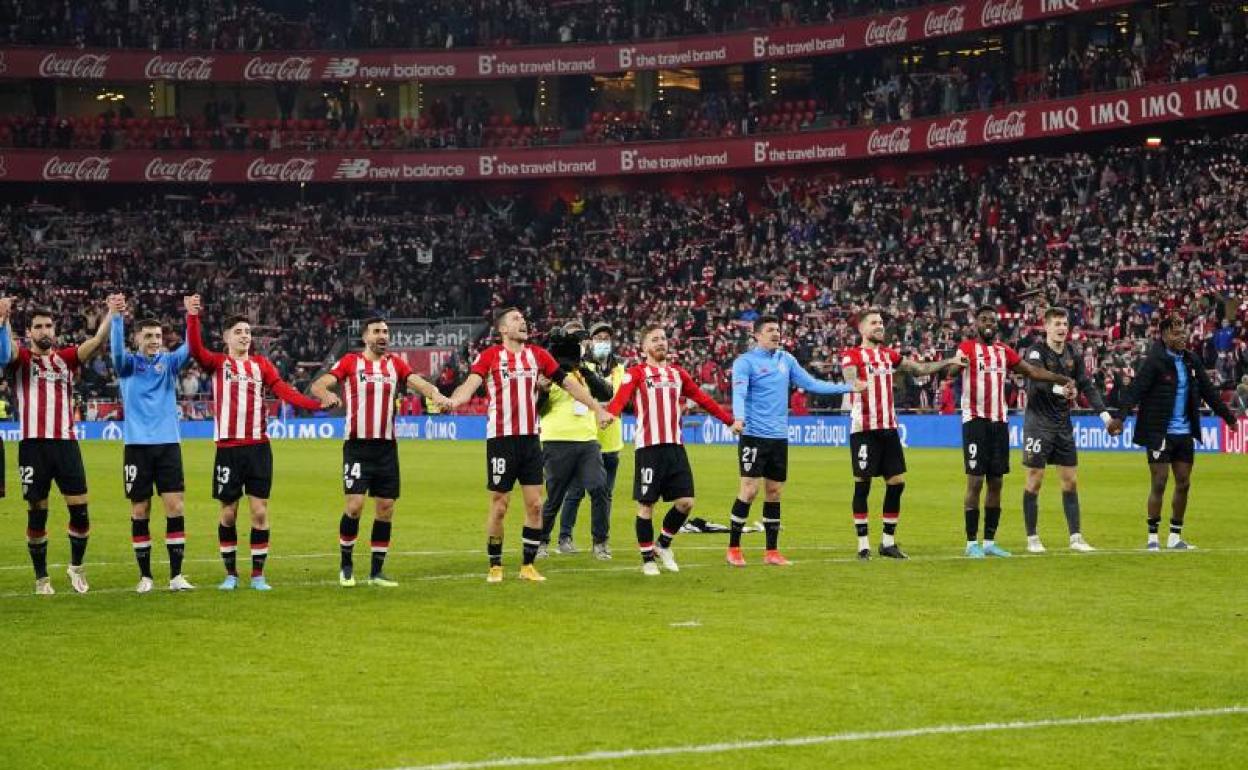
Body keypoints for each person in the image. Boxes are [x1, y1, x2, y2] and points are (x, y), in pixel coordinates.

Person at [447, 307, 613, 584]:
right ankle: (495, 564)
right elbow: (470, 384)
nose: (523, 321)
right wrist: (453, 401)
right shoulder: (490, 356)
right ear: (502, 329)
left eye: (524, 318)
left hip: (530, 441)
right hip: (500, 440)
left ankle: (528, 565)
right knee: (500, 505)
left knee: (535, 505)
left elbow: (570, 384)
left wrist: (598, 409)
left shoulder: (538, 356)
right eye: (516, 319)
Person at [184, 294, 329, 591]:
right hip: (227, 448)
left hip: (258, 447)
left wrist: (316, 405)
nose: (244, 336)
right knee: (228, 513)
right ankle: (231, 574)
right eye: (238, 332)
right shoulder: (218, 363)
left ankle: (258, 575)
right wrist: (193, 316)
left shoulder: (261, 365)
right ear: (226, 338)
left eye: (247, 332)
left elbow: (284, 391)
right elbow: (197, 349)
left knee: (260, 511)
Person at [310, 317, 453, 588]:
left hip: (386, 447)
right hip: (357, 446)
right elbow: (320, 384)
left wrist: (438, 396)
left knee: (385, 509)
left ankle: (376, 572)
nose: (383, 336)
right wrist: (326, 396)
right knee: (354, 506)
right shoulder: (351, 362)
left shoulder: (395, 364)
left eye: (386, 332)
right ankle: (346, 566)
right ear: (365, 337)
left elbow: (419, 383)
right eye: (377, 331)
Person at [0, 296, 115, 595]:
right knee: (37, 511)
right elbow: (4, 351)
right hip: (33, 446)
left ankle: (76, 567)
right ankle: (41, 578)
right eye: (38, 327)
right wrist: (4, 319)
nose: (44, 331)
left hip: (66, 444)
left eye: (48, 325)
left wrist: (112, 312)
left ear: (55, 329)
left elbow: (99, 338)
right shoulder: (22, 360)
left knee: (80, 512)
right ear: (30, 332)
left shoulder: (66, 358)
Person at [606, 323, 740, 576]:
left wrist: (729, 420)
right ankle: (647, 559)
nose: (660, 343)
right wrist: (610, 415)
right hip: (649, 448)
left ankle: (663, 545)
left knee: (686, 503)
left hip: (675, 447)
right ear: (644, 347)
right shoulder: (636, 373)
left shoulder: (677, 374)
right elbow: (621, 398)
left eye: (663, 339)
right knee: (646, 506)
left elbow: (703, 399)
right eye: (654, 339)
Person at [727, 315, 860, 567]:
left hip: (778, 436)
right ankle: (733, 548)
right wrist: (739, 418)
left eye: (778, 330)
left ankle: (772, 552)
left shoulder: (786, 360)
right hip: (754, 435)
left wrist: (848, 388)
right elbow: (740, 392)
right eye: (770, 330)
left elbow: (811, 384)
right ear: (756, 335)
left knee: (774, 493)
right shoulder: (745, 362)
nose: (776, 334)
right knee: (749, 490)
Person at [949, 307, 1073, 559]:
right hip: (975, 422)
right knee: (975, 481)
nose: (989, 324)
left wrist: (1060, 378)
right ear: (975, 324)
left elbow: (1032, 371)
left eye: (992, 320)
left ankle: (989, 542)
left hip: (999, 423)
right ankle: (971, 542)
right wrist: (956, 364)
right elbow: (950, 373)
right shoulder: (968, 348)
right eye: (984, 319)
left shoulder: (1003, 351)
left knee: (996, 482)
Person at [1107, 315, 1238, 550]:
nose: (1182, 336)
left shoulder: (1191, 361)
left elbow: (1209, 392)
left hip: (1184, 432)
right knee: (1159, 482)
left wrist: (1229, 418)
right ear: (1165, 335)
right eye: (1176, 333)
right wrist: (1120, 417)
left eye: (1183, 331)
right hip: (1159, 431)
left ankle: (1175, 536)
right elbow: (1136, 390)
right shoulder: (1154, 361)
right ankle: (1153, 538)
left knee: (1184, 483)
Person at [840, 309, 961, 560]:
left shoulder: (889, 356)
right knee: (863, 485)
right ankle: (863, 545)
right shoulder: (852, 355)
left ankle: (887, 542)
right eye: (874, 323)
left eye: (881, 323)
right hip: (864, 430)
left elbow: (919, 369)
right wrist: (854, 384)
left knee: (897, 483)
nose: (879, 326)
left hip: (889, 429)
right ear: (862, 329)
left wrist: (949, 362)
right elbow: (849, 374)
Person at [109, 295, 195, 593]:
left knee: (175, 506)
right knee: (140, 511)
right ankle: (145, 576)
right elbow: (115, 351)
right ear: (137, 339)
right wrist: (117, 318)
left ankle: (176, 576)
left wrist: (191, 316)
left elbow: (192, 347)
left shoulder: (169, 363)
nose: (155, 341)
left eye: (158, 336)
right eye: (148, 336)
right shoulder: (127, 366)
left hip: (168, 445)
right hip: (137, 447)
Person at [1020, 307, 1111, 554]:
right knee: (1034, 480)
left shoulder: (1073, 353)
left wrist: (1104, 416)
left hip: (1062, 424)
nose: (1062, 328)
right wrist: (1062, 390)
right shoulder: (1036, 352)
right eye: (1057, 324)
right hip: (1038, 424)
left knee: (1070, 481)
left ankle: (1076, 537)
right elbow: (1036, 383)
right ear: (1046, 327)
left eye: (1064, 324)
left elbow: (1086, 385)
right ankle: (1032, 538)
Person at [534, 321, 613, 559]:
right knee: (555, 496)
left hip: (587, 440)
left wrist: (582, 370)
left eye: (577, 342)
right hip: (556, 439)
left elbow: (607, 393)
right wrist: (544, 389)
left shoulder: (586, 368)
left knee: (599, 488)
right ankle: (541, 541)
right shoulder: (545, 370)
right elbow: (535, 409)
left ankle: (600, 542)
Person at [554, 321, 625, 560]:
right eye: (599, 337)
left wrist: (604, 406)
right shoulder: (580, 367)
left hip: (612, 441)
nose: (603, 341)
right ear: (590, 341)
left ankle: (601, 542)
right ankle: (565, 537)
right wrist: (603, 406)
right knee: (575, 492)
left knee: (605, 494)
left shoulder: (620, 369)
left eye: (607, 337)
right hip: (586, 439)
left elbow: (617, 398)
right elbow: (601, 398)